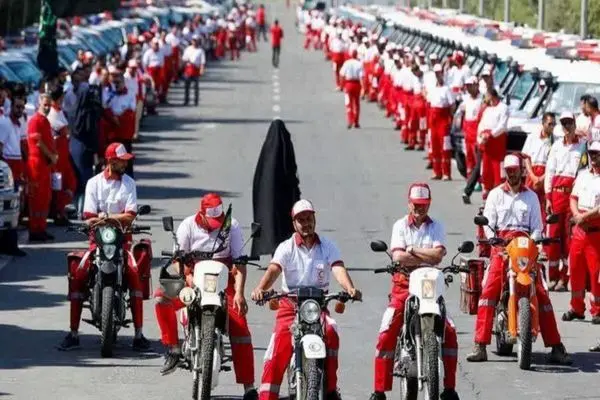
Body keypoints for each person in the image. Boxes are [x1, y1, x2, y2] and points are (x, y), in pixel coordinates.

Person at [251, 199, 362, 400]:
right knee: (277, 348)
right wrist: (260, 288)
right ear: (294, 223)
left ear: (314, 219)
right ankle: (267, 395)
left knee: (331, 332)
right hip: (290, 306)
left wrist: (349, 288)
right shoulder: (286, 247)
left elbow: (338, 268)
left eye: (309, 219)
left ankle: (330, 389)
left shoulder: (327, 246)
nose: (306, 223)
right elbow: (274, 269)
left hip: (317, 307)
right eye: (301, 220)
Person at [465, 154, 571, 364]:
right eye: (509, 170)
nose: (512, 173)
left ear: (522, 171)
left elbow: (537, 227)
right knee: (489, 292)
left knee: (541, 293)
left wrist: (536, 241)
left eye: (516, 170)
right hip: (502, 247)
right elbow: (488, 224)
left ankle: (556, 346)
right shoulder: (495, 195)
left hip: (525, 248)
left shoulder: (531, 197)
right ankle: (480, 344)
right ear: (505, 171)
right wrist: (494, 240)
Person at [154, 193, 258, 399]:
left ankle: (249, 386)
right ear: (200, 214)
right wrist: (188, 277)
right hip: (192, 277)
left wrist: (239, 293)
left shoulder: (232, 225)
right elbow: (177, 259)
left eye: (217, 222)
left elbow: (239, 263)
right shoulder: (187, 226)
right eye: (211, 222)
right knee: (160, 298)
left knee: (241, 328)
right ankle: (174, 348)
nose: (215, 226)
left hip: (223, 279)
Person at [368, 183, 459, 400]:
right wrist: (424, 255)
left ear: (429, 204)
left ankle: (449, 389)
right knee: (386, 331)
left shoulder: (437, 226)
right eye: (416, 205)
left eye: (424, 205)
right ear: (409, 203)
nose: (420, 209)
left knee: (451, 333)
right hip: (403, 284)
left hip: (431, 286)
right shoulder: (400, 226)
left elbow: (438, 256)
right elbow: (398, 257)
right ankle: (379, 391)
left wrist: (413, 251)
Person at [59, 142, 151, 351]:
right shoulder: (93, 183)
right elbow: (89, 217)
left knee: (135, 273)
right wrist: (108, 220)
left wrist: (108, 217)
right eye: (122, 161)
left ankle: (139, 334)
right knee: (79, 273)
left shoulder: (129, 183)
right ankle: (73, 333)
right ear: (111, 161)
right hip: (98, 241)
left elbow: (130, 216)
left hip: (123, 240)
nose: (126, 164)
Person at [544, 112, 587, 292]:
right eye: (564, 123)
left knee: (569, 239)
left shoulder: (583, 147)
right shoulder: (556, 147)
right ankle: (552, 276)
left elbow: (585, 171)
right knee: (553, 237)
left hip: (572, 196)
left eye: (570, 123)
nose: (567, 126)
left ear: (575, 124)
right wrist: (547, 197)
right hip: (556, 195)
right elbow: (550, 171)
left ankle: (565, 277)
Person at [251, 119, 301, 258]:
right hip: (284, 195)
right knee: (283, 222)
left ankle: (272, 250)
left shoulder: (266, 155)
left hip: (267, 197)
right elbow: (291, 171)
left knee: (269, 221)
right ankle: (282, 252)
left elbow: (258, 181)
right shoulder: (285, 149)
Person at [563, 141, 600, 323]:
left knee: (595, 273)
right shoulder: (583, 175)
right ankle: (576, 308)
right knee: (575, 269)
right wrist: (577, 214)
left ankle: (597, 310)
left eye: (597, 154)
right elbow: (573, 197)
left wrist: (583, 218)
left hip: (595, 231)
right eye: (592, 153)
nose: (594, 157)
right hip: (579, 230)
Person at [26, 93, 57, 242]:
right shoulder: (35, 121)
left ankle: (41, 228)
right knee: (36, 198)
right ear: (39, 103)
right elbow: (38, 142)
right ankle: (34, 229)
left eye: (49, 105)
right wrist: (51, 156)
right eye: (45, 104)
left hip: (45, 164)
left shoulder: (45, 120)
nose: (47, 107)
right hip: (36, 164)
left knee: (45, 197)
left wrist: (52, 156)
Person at [0, 93, 27, 256]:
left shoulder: (19, 122)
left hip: (17, 167)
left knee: (16, 207)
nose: (20, 110)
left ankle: (10, 244)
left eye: (22, 107)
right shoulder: (5, 123)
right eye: (17, 107)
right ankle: (10, 245)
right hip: (8, 167)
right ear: (11, 107)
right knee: (10, 209)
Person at [47, 86, 77, 225]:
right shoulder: (51, 114)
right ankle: (58, 213)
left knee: (70, 183)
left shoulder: (59, 112)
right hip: (58, 157)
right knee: (59, 186)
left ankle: (60, 210)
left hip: (64, 155)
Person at [522, 112, 555, 221]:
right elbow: (526, 157)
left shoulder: (556, 141)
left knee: (544, 206)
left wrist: (542, 178)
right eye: (549, 124)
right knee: (528, 204)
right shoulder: (532, 137)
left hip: (546, 175)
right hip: (532, 174)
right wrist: (532, 176)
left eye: (554, 124)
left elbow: (554, 165)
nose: (552, 127)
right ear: (543, 123)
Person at [477, 88, 509, 199]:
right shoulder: (488, 109)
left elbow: (502, 126)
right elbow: (481, 124)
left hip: (497, 142)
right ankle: (486, 189)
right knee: (486, 168)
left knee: (498, 169)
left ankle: (499, 190)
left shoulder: (503, 108)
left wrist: (490, 134)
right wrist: (481, 135)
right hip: (487, 144)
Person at [426, 64, 455, 180]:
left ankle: (446, 173)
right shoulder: (432, 89)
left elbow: (452, 105)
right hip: (433, 120)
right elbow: (429, 103)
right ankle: (437, 171)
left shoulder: (447, 89)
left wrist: (449, 119)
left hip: (443, 120)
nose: (438, 75)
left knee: (445, 147)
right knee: (435, 146)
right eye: (436, 73)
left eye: (440, 73)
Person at [339, 49, 363, 129]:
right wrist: (363, 88)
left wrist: (342, 85)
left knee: (349, 103)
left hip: (348, 84)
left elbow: (342, 74)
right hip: (356, 84)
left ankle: (350, 121)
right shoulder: (359, 64)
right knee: (356, 103)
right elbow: (361, 77)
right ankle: (356, 121)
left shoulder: (347, 63)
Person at [182, 35, 206, 106]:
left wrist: (202, 69)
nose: (195, 42)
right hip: (188, 68)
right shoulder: (188, 49)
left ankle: (196, 101)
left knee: (196, 87)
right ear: (192, 41)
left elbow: (202, 61)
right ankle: (186, 101)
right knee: (187, 86)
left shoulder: (200, 50)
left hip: (196, 69)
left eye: (196, 41)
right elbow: (184, 59)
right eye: (193, 41)